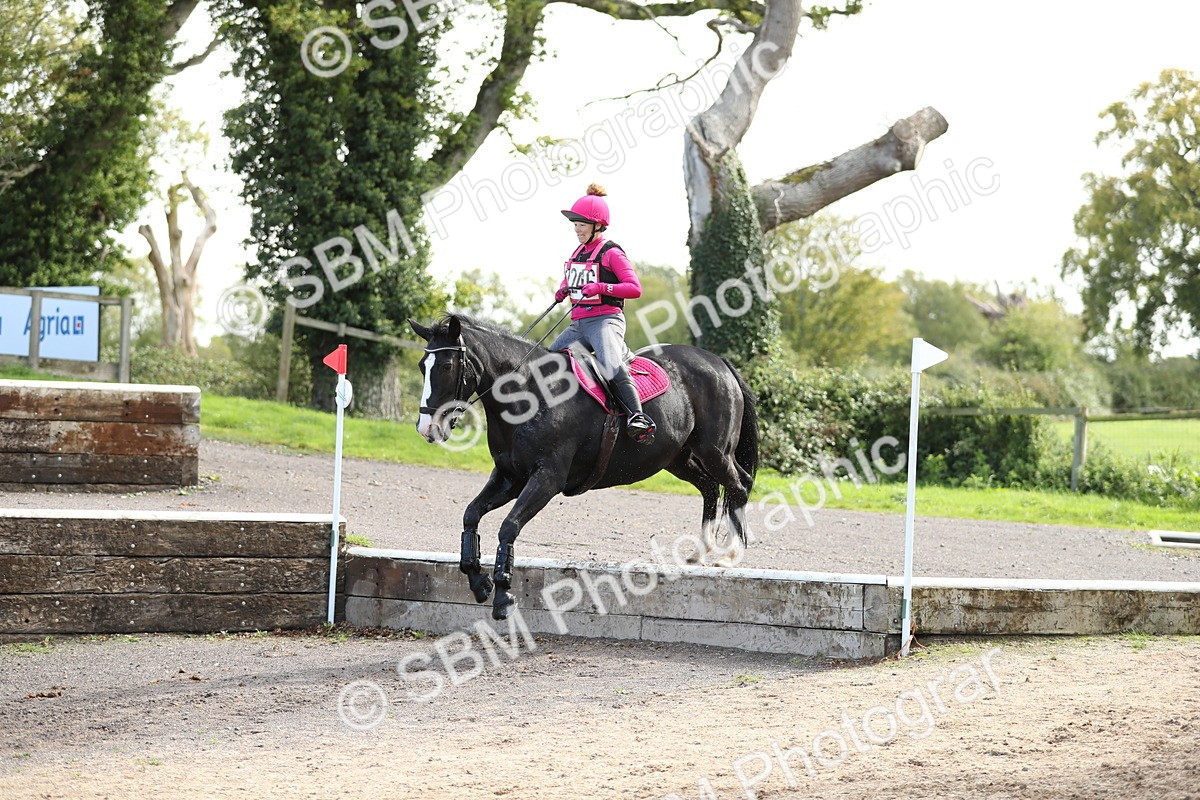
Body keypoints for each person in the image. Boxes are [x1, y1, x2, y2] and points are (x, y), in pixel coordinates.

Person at [550, 183, 656, 445]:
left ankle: (638, 417)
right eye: (575, 225)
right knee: (549, 360)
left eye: (581, 224)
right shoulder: (578, 252)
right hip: (579, 324)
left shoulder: (612, 253)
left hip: (605, 320)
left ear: (597, 225)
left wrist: (601, 287)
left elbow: (635, 288)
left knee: (610, 362)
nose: (577, 229)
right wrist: (563, 288)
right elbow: (573, 279)